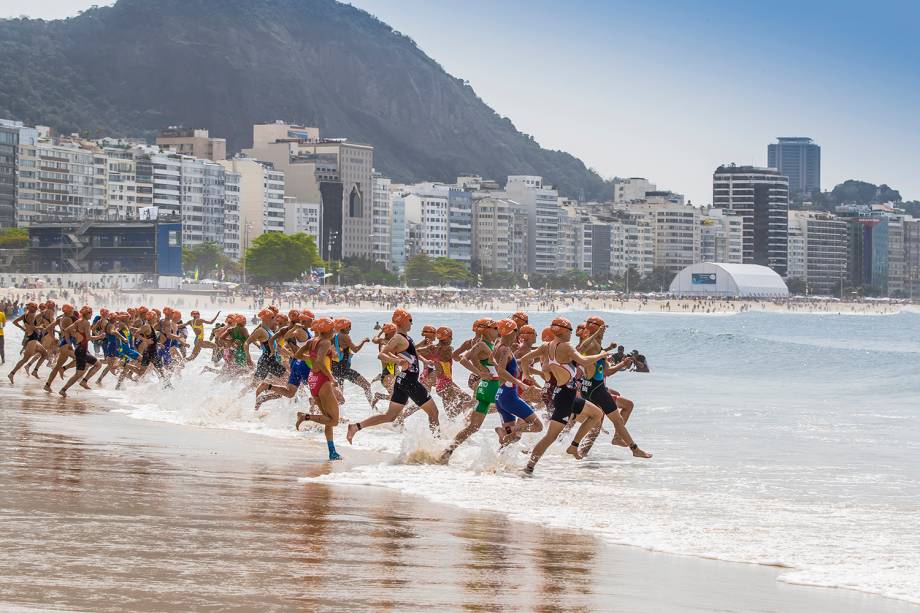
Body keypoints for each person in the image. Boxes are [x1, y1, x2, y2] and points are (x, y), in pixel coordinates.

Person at [520, 316, 607, 475]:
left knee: (596, 414)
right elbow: (583, 361)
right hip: (565, 397)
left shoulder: (546, 346)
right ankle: (529, 467)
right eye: (571, 331)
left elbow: (524, 360)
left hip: (565, 394)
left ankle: (573, 446)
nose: (571, 334)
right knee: (550, 437)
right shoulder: (566, 346)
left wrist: (527, 375)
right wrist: (601, 355)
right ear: (564, 331)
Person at [347, 308, 440, 444]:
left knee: (389, 416)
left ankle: (356, 427)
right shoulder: (398, 337)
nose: (412, 323)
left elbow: (412, 354)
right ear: (402, 321)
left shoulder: (406, 338)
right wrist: (398, 361)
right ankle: (437, 444)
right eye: (410, 320)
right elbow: (382, 354)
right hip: (409, 381)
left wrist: (425, 361)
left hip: (403, 380)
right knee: (434, 413)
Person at [576, 316, 651, 458]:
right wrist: (596, 334)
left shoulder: (598, 347)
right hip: (595, 390)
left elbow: (606, 371)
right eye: (602, 328)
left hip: (594, 388)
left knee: (597, 427)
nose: (604, 331)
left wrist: (622, 364)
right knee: (613, 421)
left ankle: (576, 452)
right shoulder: (592, 346)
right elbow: (581, 349)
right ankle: (634, 449)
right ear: (596, 328)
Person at [439, 318, 501, 463]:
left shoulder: (485, 343)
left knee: (473, 426)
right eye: (495, 328)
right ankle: (503, 450)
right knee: (521, 411)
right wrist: (479, 371)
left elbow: (459, 357)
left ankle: (448, 451)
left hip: (485, 384)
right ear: (485, 329)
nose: (497, 331)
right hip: (489, 385)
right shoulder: (481, 344)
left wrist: (479, 368)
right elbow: (462, 359)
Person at [293, 317, 342, 461]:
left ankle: (332, 452)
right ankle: (305, 416)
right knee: (334, 421)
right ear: (328, 330)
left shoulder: (312, 341)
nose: (334, 330)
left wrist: (312, 357)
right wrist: (332, 378)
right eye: (332, 328)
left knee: (328, 419)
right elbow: (321, 361)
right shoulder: (326, 342)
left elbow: (297, 355)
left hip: (312, 379)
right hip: (322, 380)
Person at [254, 310, 314, 410]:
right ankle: (312, 413)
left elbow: (273, 340)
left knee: (291, 392)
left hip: (294, 361)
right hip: (299, 362)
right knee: (312, 390)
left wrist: (274, 351)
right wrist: (286, 352)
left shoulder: (286, 329)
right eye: (312, 319)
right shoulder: (299, 330)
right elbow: (284, 341)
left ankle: (267, 389)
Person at [58, 306, 105, 397]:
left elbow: (66, 331)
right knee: (79, 373)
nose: (91, 315)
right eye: (91, 313)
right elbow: (88, 338)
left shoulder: (78, 321)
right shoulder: (86, 323)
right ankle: (65, 389)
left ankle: (81, 382)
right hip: (81, 351)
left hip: (80, 349)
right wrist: (100, 336)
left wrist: (69, 343)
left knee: (97, 364)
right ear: (87, 314)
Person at [330, 318, 374, 406]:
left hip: (335, 369)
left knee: (339, 398)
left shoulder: (335, 336)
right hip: (343, 370)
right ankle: (373, 409)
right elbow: (355, 349)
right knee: (367, 385)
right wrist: (364, 341)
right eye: (349, 326)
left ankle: (334, 416)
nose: (350, 328)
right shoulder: (345, 336)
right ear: (344, 327)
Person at [8, 302, 50, 383]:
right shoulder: (31, 315)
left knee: (44, 354)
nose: (34, 308)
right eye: (32, 307)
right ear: (29, 307)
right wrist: (40, 327)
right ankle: (12, 373)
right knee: (25, 359)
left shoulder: (25, 315)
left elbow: (15, 322)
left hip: (33, 339)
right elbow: (33, 327)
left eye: (35, 306)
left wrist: (23, 328)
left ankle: (35, 371)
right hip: (32, 339)